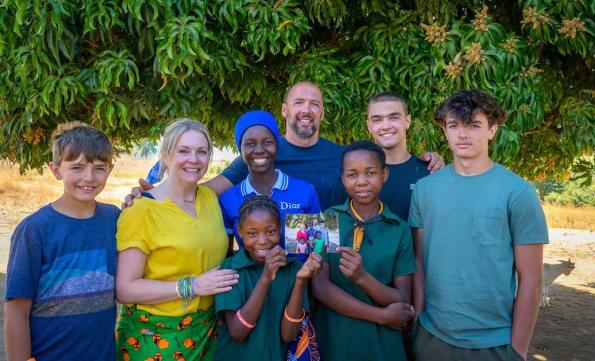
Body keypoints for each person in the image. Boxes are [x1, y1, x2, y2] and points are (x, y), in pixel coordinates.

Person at [125, 82, 444, 210]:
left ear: (321, 112)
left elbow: (377, 171)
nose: (307, 109)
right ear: (285, 110)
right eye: (299, 102)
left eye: (314, 104)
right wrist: (153, 196)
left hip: (324, 263)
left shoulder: (340, 155)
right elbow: (208, 189)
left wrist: (428, 159)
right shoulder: (262, 154)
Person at [409, 90, 548, 361]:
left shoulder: (518, 193)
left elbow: (531, 278)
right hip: (432, 337)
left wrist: (518, 351)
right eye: (454, 125)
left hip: (495, 343)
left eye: (473, 125)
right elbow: (419, 261)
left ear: (492, 130)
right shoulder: (424, 190)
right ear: (445, 131)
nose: (462, 134)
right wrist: (418, 324)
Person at [115, 119, 239, 361]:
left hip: (208, 334)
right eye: (183, 151)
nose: (194, 159)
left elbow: (249, 159)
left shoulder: (210, 198)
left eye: (201, 152)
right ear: (165, 155)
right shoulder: (141, 210)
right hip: (155, 337)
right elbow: (125, 289)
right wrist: (192, 286)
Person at [4, 122, 119, 361]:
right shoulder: (34, 229)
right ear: (56, 170)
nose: (89, 177)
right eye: (77, 167)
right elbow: (17, 310)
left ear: (110, 169)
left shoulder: (114, 218)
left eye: (99, 168)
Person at [312, 141, 416, 361]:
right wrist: (380, 316)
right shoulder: (327, 219)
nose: (362, 181)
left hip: (381, 347)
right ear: (343, 178)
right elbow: (320, 287)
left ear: (384, 174)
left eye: (371, 172)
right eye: (352, 174)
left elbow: (402, 298)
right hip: (335, 342)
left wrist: (362, 277)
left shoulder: (399, 229)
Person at [214, 196, 323, 361]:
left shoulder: (293, 269)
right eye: (252, 233)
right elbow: (237, 332)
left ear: (280, 229)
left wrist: (300, 281)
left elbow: (288, 335)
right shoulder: (230, 268)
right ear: (239, 231)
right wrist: (266, 277)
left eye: (271, 231)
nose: (263, 241)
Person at [218, 110, 321, 250]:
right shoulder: (227, 199)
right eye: (249, 144)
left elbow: (317, 251)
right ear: (239, 149)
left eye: (267, 142)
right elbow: (227, 255)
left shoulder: (305, 191)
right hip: (251, 273)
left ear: (277, 146)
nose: (259, 149)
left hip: (299, 272)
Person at [330, 91, 430, 220]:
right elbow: (332, 231)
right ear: (369, 126)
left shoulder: (427, 173)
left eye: (393, 117)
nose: (386, 126)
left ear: (407, 121)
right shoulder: (353, 178)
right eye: (377, 119)